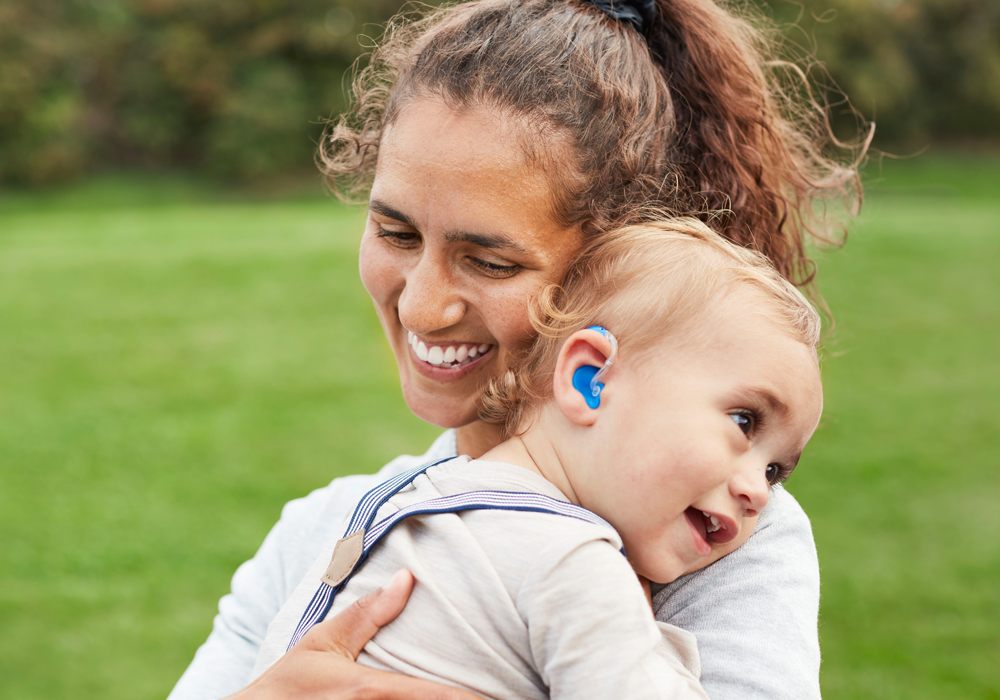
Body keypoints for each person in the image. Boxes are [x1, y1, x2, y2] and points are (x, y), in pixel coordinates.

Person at [168, 0, 867, 697]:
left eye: (491, 262)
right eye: (397, 234)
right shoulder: (325, 528)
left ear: (612, 272)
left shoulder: (711, 534)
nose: (419, 305)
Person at [242, 220, 823, 700]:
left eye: (777, 469)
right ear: (590, 379)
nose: (760, 492)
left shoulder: (399, 510)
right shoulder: (572, 563)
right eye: (744, 422)